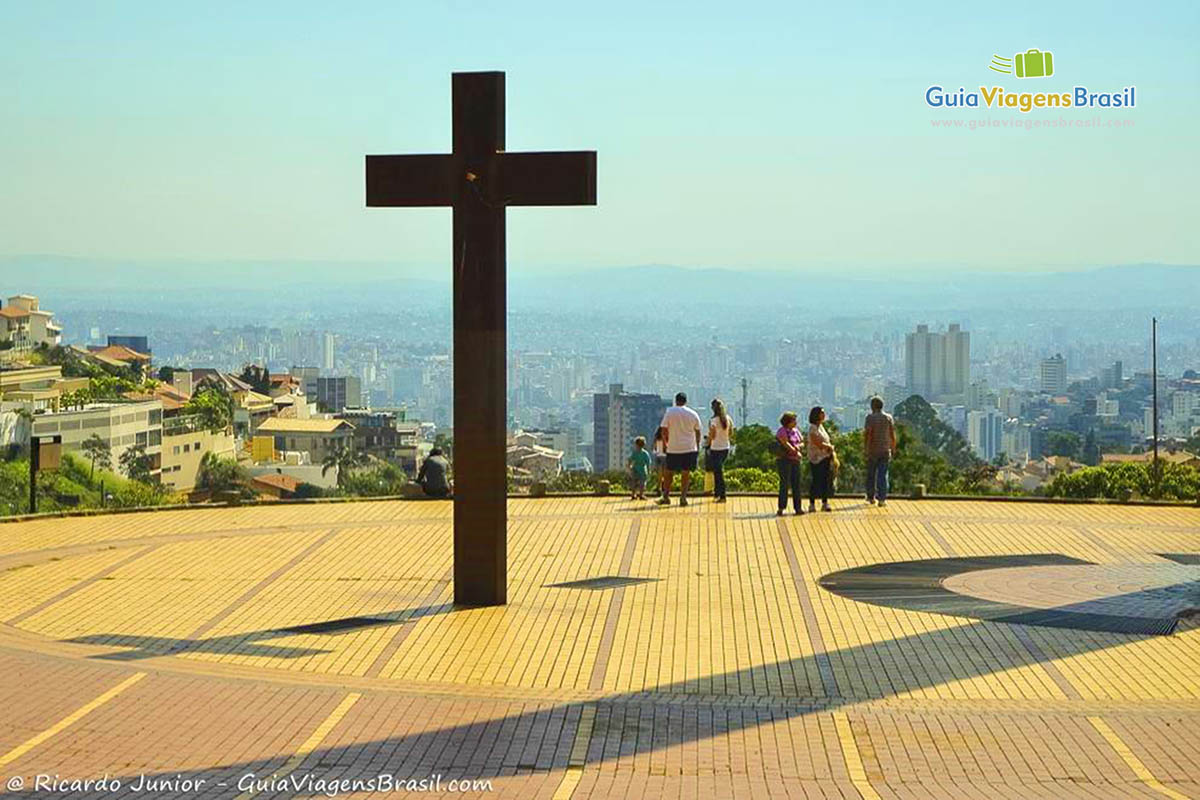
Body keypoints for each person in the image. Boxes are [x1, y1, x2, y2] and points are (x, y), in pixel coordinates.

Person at [658, 392, 702, 506]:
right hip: (689, 448)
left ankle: (666, 496)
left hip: (673, 447)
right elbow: (698, 431)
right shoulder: (693, 414)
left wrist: (665, 443)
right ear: (685, 401)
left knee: (668, 473)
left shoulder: (670, 412)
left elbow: (663, 429)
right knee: (686, 474)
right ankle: (683, 497)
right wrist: (697, 444)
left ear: (676, 401)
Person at [863, 396, 897, 506]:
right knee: (883, 475)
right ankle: (882, 499)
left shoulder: (870, 418)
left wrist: (866, 448)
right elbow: (892, 434)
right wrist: (893, 447)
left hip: (873, 450)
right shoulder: (888, 418)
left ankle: (870, 496)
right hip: (885, 450)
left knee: (871, 474)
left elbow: (868, 434)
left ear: (872, 406)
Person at [775, 411, 804, 516]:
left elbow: (802, 441)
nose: (795, 422)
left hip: (795, 460)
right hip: (784, 460)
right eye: (793, 420)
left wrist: (798, 447)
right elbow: (785, 443)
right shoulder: (782, 431)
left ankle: (798, 507)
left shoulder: (796, 431)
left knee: (796, 483)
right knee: (784, 483)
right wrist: (795, 451)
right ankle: (781, 507)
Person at [807, 406, 835, 512]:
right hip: (816, 458)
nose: (824, 415)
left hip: (825, 457)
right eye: (822, 413)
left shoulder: (821, 427)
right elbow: (817, 442)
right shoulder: (813, 428)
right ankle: (812, 503)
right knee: (816, 480)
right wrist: (828, 447)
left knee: (825, 480)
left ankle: (825, 502)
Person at [707, 398, 735, 502]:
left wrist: (708, 443)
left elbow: (712, 436)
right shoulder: (728, 419)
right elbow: (731, 432)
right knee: (718, 470)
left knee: (718, 472)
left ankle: (722, 494)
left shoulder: (713, 421)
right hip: (725, 447)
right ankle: (717, 492)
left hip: (716, 448)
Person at [627, 436, 652, 500]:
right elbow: (648, 463)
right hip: (643, 470)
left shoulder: (634, 453)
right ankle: (641, 494)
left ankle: (633, 494)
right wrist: (649, 470)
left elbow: (630, 460)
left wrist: (629, 467)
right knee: (642, 483)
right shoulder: (645, 453)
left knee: (634, 483)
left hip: (635, 469)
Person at [651, 428, 668, 500]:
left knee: (660, 474)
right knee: (663, 474)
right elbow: (666, 448)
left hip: (659, 456)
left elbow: (654, 448)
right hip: (664, 457)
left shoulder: (656, 439)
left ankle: (660, 488)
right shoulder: (666, 439)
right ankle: (662, 488)